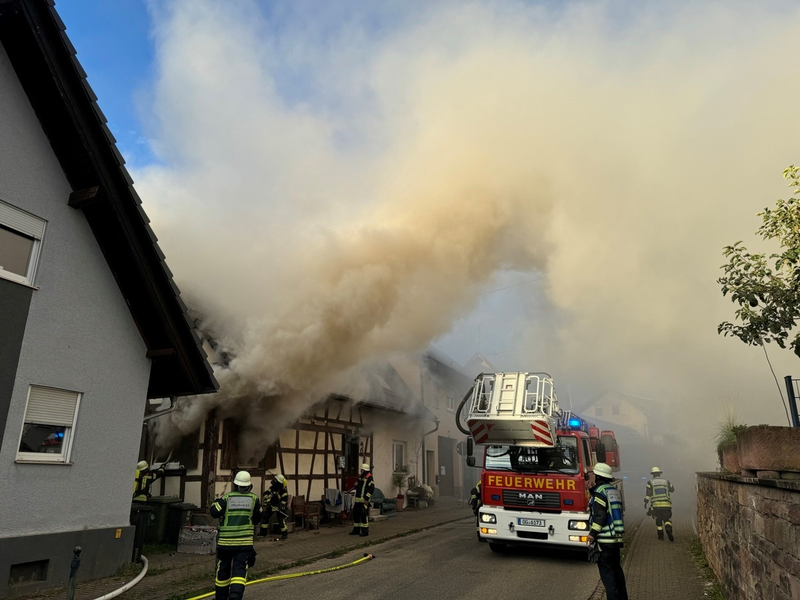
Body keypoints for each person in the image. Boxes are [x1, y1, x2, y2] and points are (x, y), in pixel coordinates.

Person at [210, 470, 261, 600]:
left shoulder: (227, 498)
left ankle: (221, 597)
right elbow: (257, 518)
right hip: (244, 543)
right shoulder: (254, 499)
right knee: (239, 570)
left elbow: (214, 512)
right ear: (249, 486)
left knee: (223, 570)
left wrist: (216, 502)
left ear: (235, 484)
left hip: (225, 543)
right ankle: (235, 596)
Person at [587, 462, 628, 600]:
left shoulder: (600, 492)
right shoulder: (614, 490)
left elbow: (600, 516)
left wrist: (592, 534)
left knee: (607, 573)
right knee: (617, 570)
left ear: (598, 476)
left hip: (605, 540)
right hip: (616, 539)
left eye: (594, 475)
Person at [645, 466, 675, 541]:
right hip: (666, 504)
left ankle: (661, 536)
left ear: (652, 474)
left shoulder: (650, 482)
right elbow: (672, 489)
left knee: (658, 520)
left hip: (656, 506)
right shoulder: (666, 481)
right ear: (659, 473)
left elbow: (648, 494)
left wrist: (645, 502)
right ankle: (668, 528)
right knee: (667, 519)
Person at [261, 474, 289, 540]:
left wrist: (281, 505)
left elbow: (284, 499)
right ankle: (263, 532)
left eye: (275, 480)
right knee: (265, 517)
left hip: (279, 507)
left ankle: (284, 534)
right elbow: (267, 493)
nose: (273, 480)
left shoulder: (282, 490)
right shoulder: (272, 487)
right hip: (272, 505)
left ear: (278, 482)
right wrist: (266, 497)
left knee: (281, 520)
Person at [350, 463, 374, 537]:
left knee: (363, 515)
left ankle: (365, 531)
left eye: (362, 470)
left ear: (365, 471)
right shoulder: (360, 477)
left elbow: (371, 489)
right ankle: (356, 530)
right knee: (356, 515)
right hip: (358, 500)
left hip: (364, 500)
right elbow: (358, 487)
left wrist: (366, 498)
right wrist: (355, 485)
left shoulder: (369, 478)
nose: (361, 471)